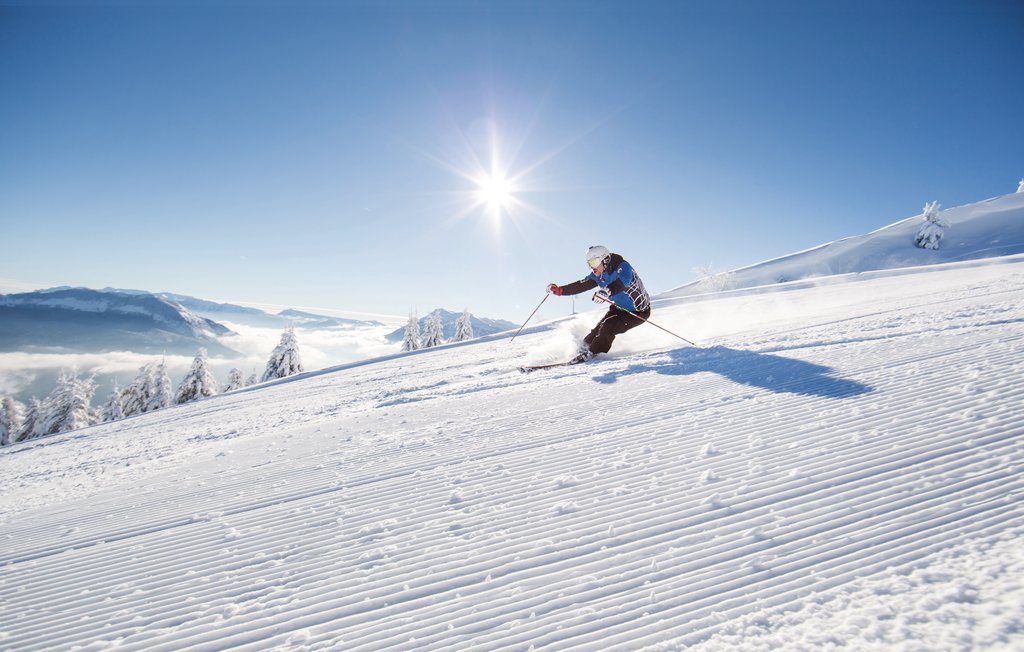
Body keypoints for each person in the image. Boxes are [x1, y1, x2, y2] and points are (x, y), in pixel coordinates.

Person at [547, 245, 651, 364]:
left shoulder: (623, 267)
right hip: (619, 308)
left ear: (605, 259)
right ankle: (582, 350)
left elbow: (623, 281)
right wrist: (560, 290)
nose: (592, 267)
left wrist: (607, 291)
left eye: (594, 262)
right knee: (595, 332)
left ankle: (593, 353)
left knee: (608, 327)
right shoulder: (598, 275)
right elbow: (580, 285)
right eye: (589, 264)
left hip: (638, 312)